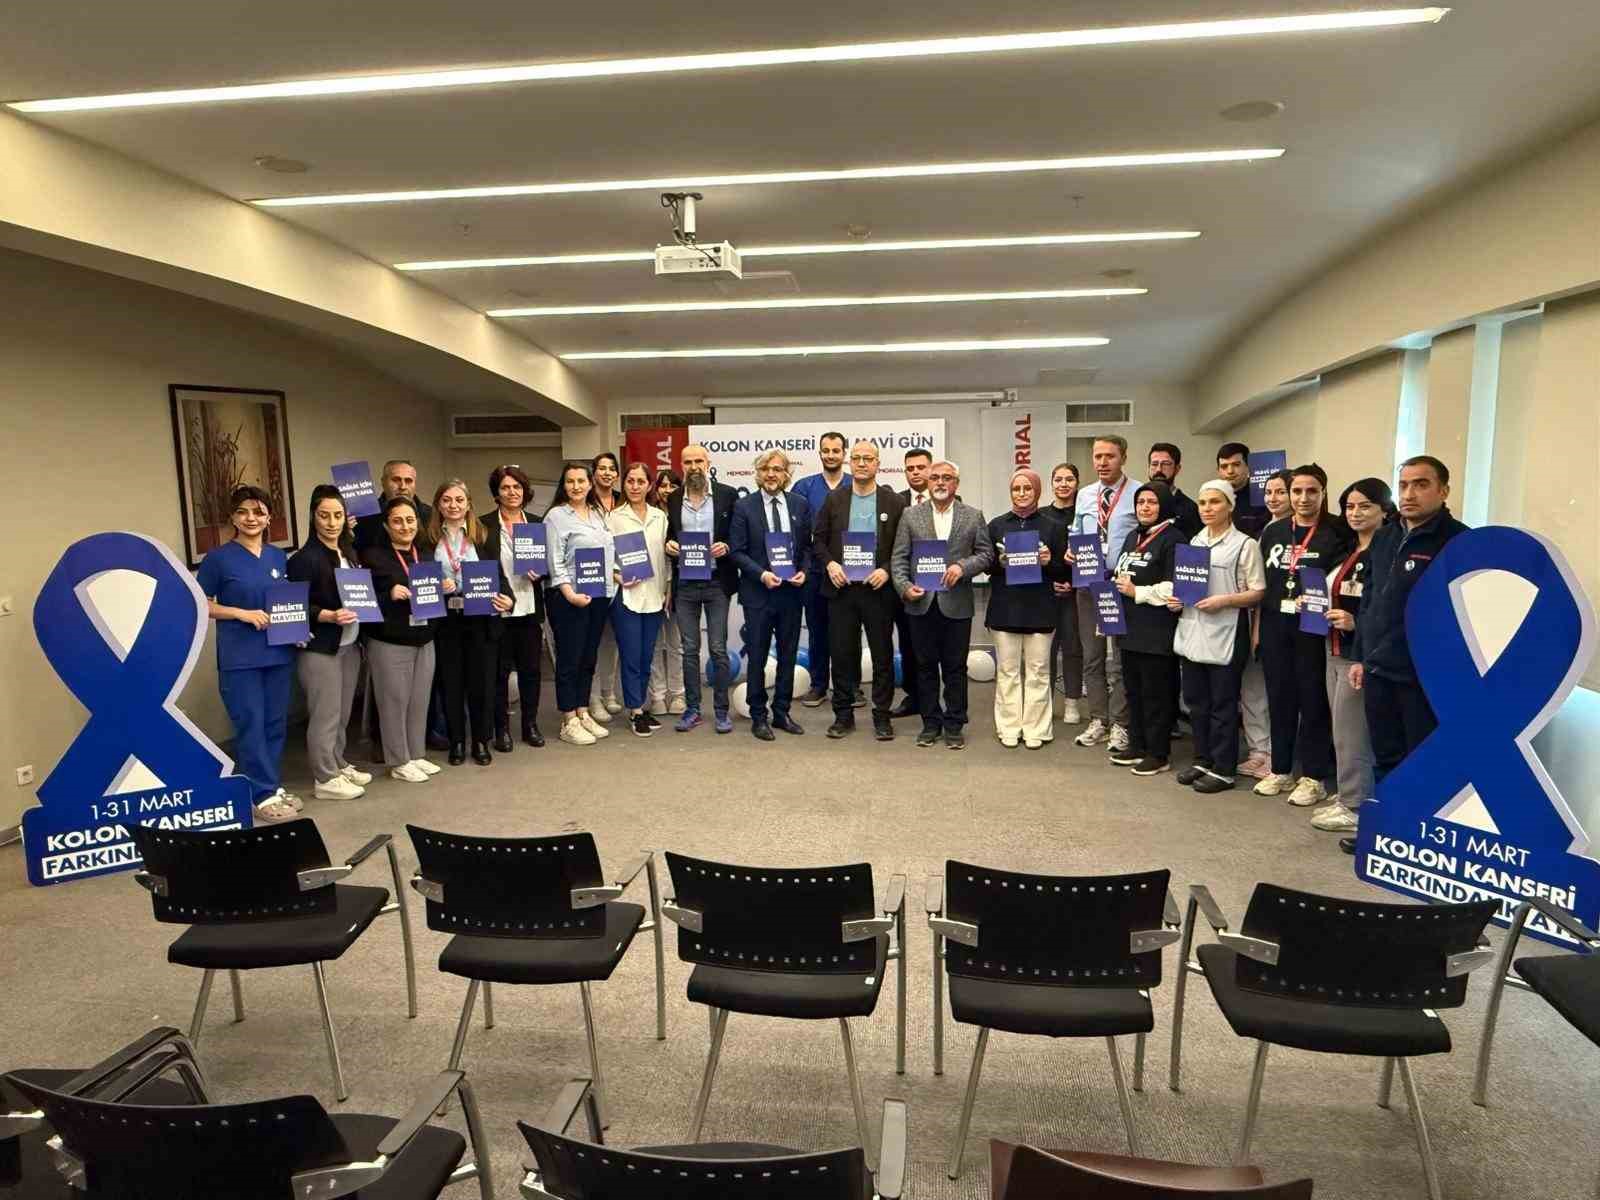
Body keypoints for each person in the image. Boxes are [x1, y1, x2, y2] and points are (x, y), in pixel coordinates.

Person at [1342, 456, 1469, 853]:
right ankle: (1388, 833)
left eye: (1421, 484)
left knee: (1422, 761)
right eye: (1404, 485)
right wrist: (1360, 656)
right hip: (1379, 667)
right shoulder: (1385, 537)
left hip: (1424, 675)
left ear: (1443, 491)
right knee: (1386, 757)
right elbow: (1369, 602)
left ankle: (1421, 841)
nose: (1410, 493)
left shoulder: (1458, 541)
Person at [196, 485, 300, 822]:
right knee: (251, 725)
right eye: (243, 512)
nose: (250, 518)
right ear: (232, 517)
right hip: (241, 658)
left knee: (275, 724)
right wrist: (241, 613)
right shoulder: (218, 559)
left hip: (278, 653)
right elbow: (200, 604)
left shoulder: (277, 557)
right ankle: (259, 795)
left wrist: (298, 629)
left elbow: (285, 603)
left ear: (269, 518)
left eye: (258, 512)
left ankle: (272, 786)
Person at [1255, 463, 1351, 806]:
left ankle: (1313, 776)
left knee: (1313, 702)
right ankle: (1280, 769)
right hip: (1275, 626)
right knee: (1279, 699)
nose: (1303, 498)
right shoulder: (1274, 532)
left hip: (1313, 630)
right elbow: (1263, 584)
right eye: (1296, 491)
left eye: (1312, 491)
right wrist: (1257, 631)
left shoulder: (1336, 533)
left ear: (1323, 493)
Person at [1308, 478, 1394, 833]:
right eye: (1350, 507)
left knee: (1353, 732)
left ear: (1384, 511)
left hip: (1358, 654)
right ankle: (1348, 794)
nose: (1355, 513)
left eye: (1365, 506)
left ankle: (1356, 806)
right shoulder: (1349, 550)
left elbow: (1384, 609)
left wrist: (1355, 621)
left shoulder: (1384, 555)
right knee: (1341, 729)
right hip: (1332, 647)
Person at [1170, 480, 1266, 793]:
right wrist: (1178, 599)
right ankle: (1203, 760)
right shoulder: (1195, 541)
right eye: (1202, 503)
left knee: (1223, 704)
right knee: (1196, 702)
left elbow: (1258, 591)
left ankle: (1224, 769)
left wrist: (1225, 600)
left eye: (1215, 502)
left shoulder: (1245, 545)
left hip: (1228, 630)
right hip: (1193, 629)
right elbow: (1188, 584)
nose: (1207, 509)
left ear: (1230, 506)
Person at [890, 459, 992, 749]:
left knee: (955, 667)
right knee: (924, 666)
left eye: (947, 477)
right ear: (928, 481)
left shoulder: (973, 516)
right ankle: (930, 723)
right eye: (935, 477)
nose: (940, 482)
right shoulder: (910, 515)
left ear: (956, 484)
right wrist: (905, 587)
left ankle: (955, 724)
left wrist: (962, 567)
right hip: (920, 603)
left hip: (956, 604)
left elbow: (986, 554)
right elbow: (899, 558)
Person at [812, 440, 906, 740]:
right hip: (842, 590)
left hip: (878, 591)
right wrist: (830, 565)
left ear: (878, 463)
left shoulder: (894, 502)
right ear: (849, 462)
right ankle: (843, 716)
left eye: (868, 458)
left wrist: (886, 569)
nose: (862, 463)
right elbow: (818, 540)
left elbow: (904, 546)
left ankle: (882, 716)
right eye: (857, 458)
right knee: (841, 655)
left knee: (882, 655)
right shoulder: (834, 499)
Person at [286, 486, 372, 801]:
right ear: (313, 517)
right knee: (325, 714)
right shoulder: (303, 559)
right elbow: (294, 606)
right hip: (321, 647)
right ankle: (325, 778)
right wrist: (327, 615)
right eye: (324, 516)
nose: (332, 523)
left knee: (342, 712)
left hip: (349, 644)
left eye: (337, 515)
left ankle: (337, 762)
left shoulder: (349, 553)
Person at [361, 494, 446, 783]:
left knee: (419, 701)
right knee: (393, 703)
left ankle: (416, 754)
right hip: (390, 641)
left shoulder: (426, 555)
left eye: (410, 520)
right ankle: (398, 761)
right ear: (386, 526)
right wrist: (388, 594)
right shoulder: (372, 557)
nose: (405, 526)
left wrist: (444, 586)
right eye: (397, 521)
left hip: (424, 638)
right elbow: (360, 600)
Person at [729, 449, 812, 740]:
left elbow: (807, 547)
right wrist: (761, 574)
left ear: (786, 474)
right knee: (758, 657)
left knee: (788, 654)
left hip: (791, 593)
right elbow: (736, 551)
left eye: (777, 469)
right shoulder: (744, 506)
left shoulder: (800, 504)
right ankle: (758, 715)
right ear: (758, 473)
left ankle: (782, 712)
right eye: (765, 469)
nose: (771, 474)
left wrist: (803, 571)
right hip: (758, 594)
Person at [429, 480, 511, 766]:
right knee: (451, 683)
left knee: (482, 684)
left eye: (459, 500)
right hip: (446, 621)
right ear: (438, 504)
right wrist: (436, 585)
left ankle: (480, 741)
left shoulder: (483, 535)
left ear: (468, 504)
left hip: (480, 620)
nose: (453, 505)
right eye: (447, 500)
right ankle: (457, 741)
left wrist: (508, 599)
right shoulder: (427, 539)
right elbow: (419, 578)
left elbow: (499, 577)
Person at [986, 468, 1067, 749]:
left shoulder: (1053, 526)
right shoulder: (996, 525)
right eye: (1016, 488)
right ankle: (1009, 727)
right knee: (1007, 671)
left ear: (1037, 491)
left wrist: (1048, 562)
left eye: (1027, 488)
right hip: (1005, 608)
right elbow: (987, 566)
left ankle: (1037, 729)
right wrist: (1000, 563)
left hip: (1040, 608)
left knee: (1039, 671)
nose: (1021, 493)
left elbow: (1063, 571)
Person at [664, 443, 739, 733]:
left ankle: (721, 711)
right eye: (688, 462)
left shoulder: (727, 495)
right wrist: (669, 545)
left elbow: (737, 534)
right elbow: (670, 534)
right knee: (690, 650)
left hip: (717, 582)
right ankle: (693, 709)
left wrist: (727, 546)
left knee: (718, 649)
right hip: (685, 583)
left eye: (699, 461)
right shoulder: (673, 498)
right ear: (681, 466)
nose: (694, 467)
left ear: (708, 463)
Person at [1112, 482, 1185, 774]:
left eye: (1152, 502)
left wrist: (1136, 592)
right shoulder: (1133, 536)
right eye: (1141, 502)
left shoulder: (1174, 539)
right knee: (1134, 691)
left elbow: (1174, 586)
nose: (1145, 507)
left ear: (1163, 505)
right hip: (1129, 627)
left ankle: (1158, 753)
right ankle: (1138, 745)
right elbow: (1122, 573)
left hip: (1157, 630)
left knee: (1157, 694)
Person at [1071, 435, 1136, 753]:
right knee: (1092, 657)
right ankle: (1098, 719)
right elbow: (1076, 533)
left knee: (1121, 659)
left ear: (1123, 457)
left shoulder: (1138, 493)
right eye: (1097, 456)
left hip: (1121, 587)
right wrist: (1071, 552)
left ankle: (1121, 722)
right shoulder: (1084, 495)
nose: (1102, 462)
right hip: (1088, 586)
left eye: (1109, 456)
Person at [545, 461, 616, 746]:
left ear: (590, 484)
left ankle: (583, 711)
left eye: (581, 481)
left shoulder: (598, 513)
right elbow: (555, 560)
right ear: (563, 486)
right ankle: (568, 719)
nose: (576, 486)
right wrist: (569, 593)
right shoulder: (556, 516)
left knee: (588, 658)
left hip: (598, 595)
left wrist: (616, 575)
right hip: (568, 598)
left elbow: (607, 552)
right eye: (570, 481)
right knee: (569, 659)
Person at [480, 463, 545, 751]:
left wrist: (541, 573)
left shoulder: (536, 523)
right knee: (499, 673)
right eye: (505, 487)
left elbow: (549, 564)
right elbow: (480, 568)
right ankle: (501, 729)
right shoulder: (483, 525)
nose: (511, 492)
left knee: (531, 670)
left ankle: (530, 725)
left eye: (516, 487)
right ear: (497, 492)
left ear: (524, 490)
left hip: (529, 608)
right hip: (499, 608)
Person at [608, 462, 670, 737]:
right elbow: (604, 556)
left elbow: (666, 558)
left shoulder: (660, 517)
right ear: (624, 484)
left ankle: (641, 706)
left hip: (655, 595)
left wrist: (668, 587)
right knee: (631, 656)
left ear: (649, 485)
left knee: (647, 656)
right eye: (630, 481)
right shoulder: (613, 518)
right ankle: (634, 710)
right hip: (627, 597)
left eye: (640, 481)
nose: (635, 486)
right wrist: (616, 575)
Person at [793, 431, 849, 708]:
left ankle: (848, 686)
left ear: (844, 453)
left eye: (836, 450)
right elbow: (799, 532)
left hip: (850, 573)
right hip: (815, 572)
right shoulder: (804, 487)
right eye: (826, 450)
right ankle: (818, 685)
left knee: (847, 632)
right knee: (817, 631)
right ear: (819, 453)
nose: (830, 455)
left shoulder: (856, 484)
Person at [889, 447, 934, 719]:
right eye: (910, 468)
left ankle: (934, 699)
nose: (915, 472)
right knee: (907, 644)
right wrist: (902, 583)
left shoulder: (952, 500)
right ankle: (913, 697)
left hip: (940, 587)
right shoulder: (897, 502)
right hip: (905, 588)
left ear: (931, 469)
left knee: (936, 648)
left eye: (921, 467)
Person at [1042, 462, 1084, 724]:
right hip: (1045, 592)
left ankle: (1072, 702)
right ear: (1052, 483)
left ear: (1077, 483)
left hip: (1076, 593)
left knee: (1073, 649)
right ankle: (1043, 703)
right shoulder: (1040, 516)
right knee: (1043, 651)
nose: (1063, 484)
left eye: (1069, 479)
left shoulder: (1084, 515)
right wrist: (1050, 583)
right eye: (1058, 479)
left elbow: (1092, 555)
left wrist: (1074, 584)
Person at [587, 451, 624, 721]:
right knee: (593, 642)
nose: (607, 473)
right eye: (602, 468)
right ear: (594, 473)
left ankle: (609, 692)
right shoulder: (584, 502)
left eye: (612, 468)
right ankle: (593, 697)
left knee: (611, 642)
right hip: (593, 580)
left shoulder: (623, 501)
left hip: (623, 580)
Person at [647, 467, 686, 715]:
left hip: (679, 587)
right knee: (654, 644)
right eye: (662, 485)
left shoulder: (684, 514)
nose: (667, 490)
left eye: (672, 485)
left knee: (676, 644)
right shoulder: (650, 514)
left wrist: (671, 586)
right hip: (650, 585)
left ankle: (678, 693)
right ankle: (657, 696)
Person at [354, 459, 433, 551]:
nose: (403, 487)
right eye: (396, 480)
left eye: (408, 481)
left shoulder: (430, 515)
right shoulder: (364, 515)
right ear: (383, 482)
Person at [1147, 443, 1202, 537]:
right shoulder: (1140, 505)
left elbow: (1193, 544)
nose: (1159, 469)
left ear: (1177, 469)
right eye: (1154, 464)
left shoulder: (1189, 508)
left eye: (1166, 464)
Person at [1216, 443, 1268, 537]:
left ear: (1248, 467)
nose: (1230, 471)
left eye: (1236, 465)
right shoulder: (1212, 498)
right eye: (1224, 467)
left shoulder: (1264, 496)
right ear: (1218, 471)